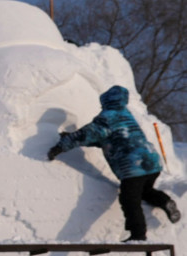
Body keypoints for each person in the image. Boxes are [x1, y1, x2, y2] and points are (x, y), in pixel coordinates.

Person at [47, 85, 180, 241]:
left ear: (106, 101)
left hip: (133, 165)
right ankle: (165, 201)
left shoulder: (107, 117)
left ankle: (138, 235)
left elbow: (87, 134)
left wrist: (61, 146)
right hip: (151, 162)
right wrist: (72, 137)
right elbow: (107, 139)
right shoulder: (126, 114)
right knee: (144, 191)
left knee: (129, 199)